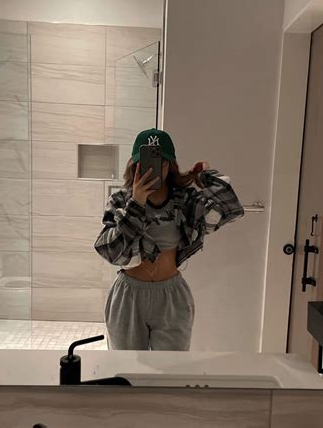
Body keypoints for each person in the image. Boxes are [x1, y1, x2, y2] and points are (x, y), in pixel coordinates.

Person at [94, 128, 244, 350]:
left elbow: (231, 208)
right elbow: (110, 251)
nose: (154, 168)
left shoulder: (185, 200)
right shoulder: (121, 200)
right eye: (145, 161)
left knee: (172, 366)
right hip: (128, 296)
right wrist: (136, 203)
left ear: (170, 165)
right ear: (134, 164)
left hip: (171, 296)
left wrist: (204, 176)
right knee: (126, 367)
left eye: (161, 161)